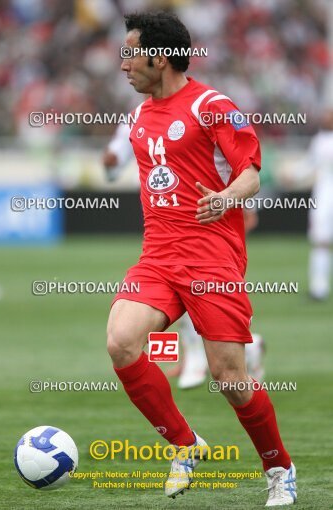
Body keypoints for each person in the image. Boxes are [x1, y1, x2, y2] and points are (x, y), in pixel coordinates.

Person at [106, 12, 296, 506]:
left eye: (130, 52)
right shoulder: (139, 115)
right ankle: (186, 445)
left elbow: (252, 173)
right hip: (158, 256)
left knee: (229, 378)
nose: (123, 64)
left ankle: (279, 469)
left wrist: (228, 197)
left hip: (213, 258)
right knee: (122, 342)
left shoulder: (213, 105)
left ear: (159, 56)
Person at [103, 126, 265, 389]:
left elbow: (233, 163)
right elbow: (114, 166)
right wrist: (109, 165)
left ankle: (199, 359)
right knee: (164, 298)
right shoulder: (134, 119)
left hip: (200, 220)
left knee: (193, 292)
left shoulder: (198, 112)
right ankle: (239, 349)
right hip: (158, 219)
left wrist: (240, 202)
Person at [307, 110, 333, 300]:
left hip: (325, 195)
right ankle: (319, 287)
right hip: (324, 196)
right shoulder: (320, 140)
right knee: (321, 240)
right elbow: (310, 165)